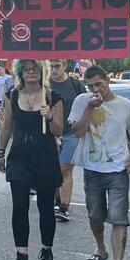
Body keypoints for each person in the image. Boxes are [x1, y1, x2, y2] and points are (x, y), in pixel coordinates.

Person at [68, 65, 130, 260]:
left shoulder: (126, 106)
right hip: (92, 169)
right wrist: (90, 109)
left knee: (119, 217)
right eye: (90, 86)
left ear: (107, 80)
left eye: (98, 84)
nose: (94, 89)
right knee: (95, 215)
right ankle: (100, 249)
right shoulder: (82, 101)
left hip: (118, 169)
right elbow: (78, 132)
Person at [0, 60, 64, 260]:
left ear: (42, 72)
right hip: (19, 156)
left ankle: (46, 250)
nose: (31, 72)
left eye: (35, 69)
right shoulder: (12, 96)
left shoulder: (53, 98)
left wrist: (50, 116)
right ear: (20, 73)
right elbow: (8, 125)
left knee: (45, 206)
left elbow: (59, 130)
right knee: (19, 205)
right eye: (26, 69)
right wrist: (1, 152)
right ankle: (21, 255)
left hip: (45, 156)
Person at [48, 60, 86, 222]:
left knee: (65, 169)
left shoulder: (75, 84)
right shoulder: (44, 84)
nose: (54, 69)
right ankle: (56, 200)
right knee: (51, 170)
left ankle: (64, 206)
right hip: (48, 133)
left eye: (57, 66)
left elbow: (85, 105)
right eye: (51, 66)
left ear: (64, 66)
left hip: (71, 133)